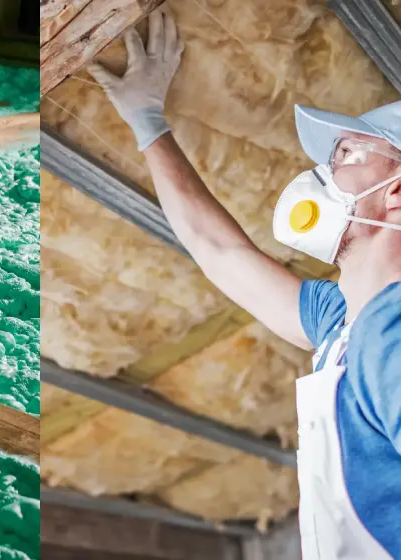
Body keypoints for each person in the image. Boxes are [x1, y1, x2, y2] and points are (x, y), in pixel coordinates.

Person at [87, 8, 401, 559]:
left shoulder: (394, 332)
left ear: (396, 195)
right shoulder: (343, 324)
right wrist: (147, 123)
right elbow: (222, 252)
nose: (322, 172)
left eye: (349, 154)